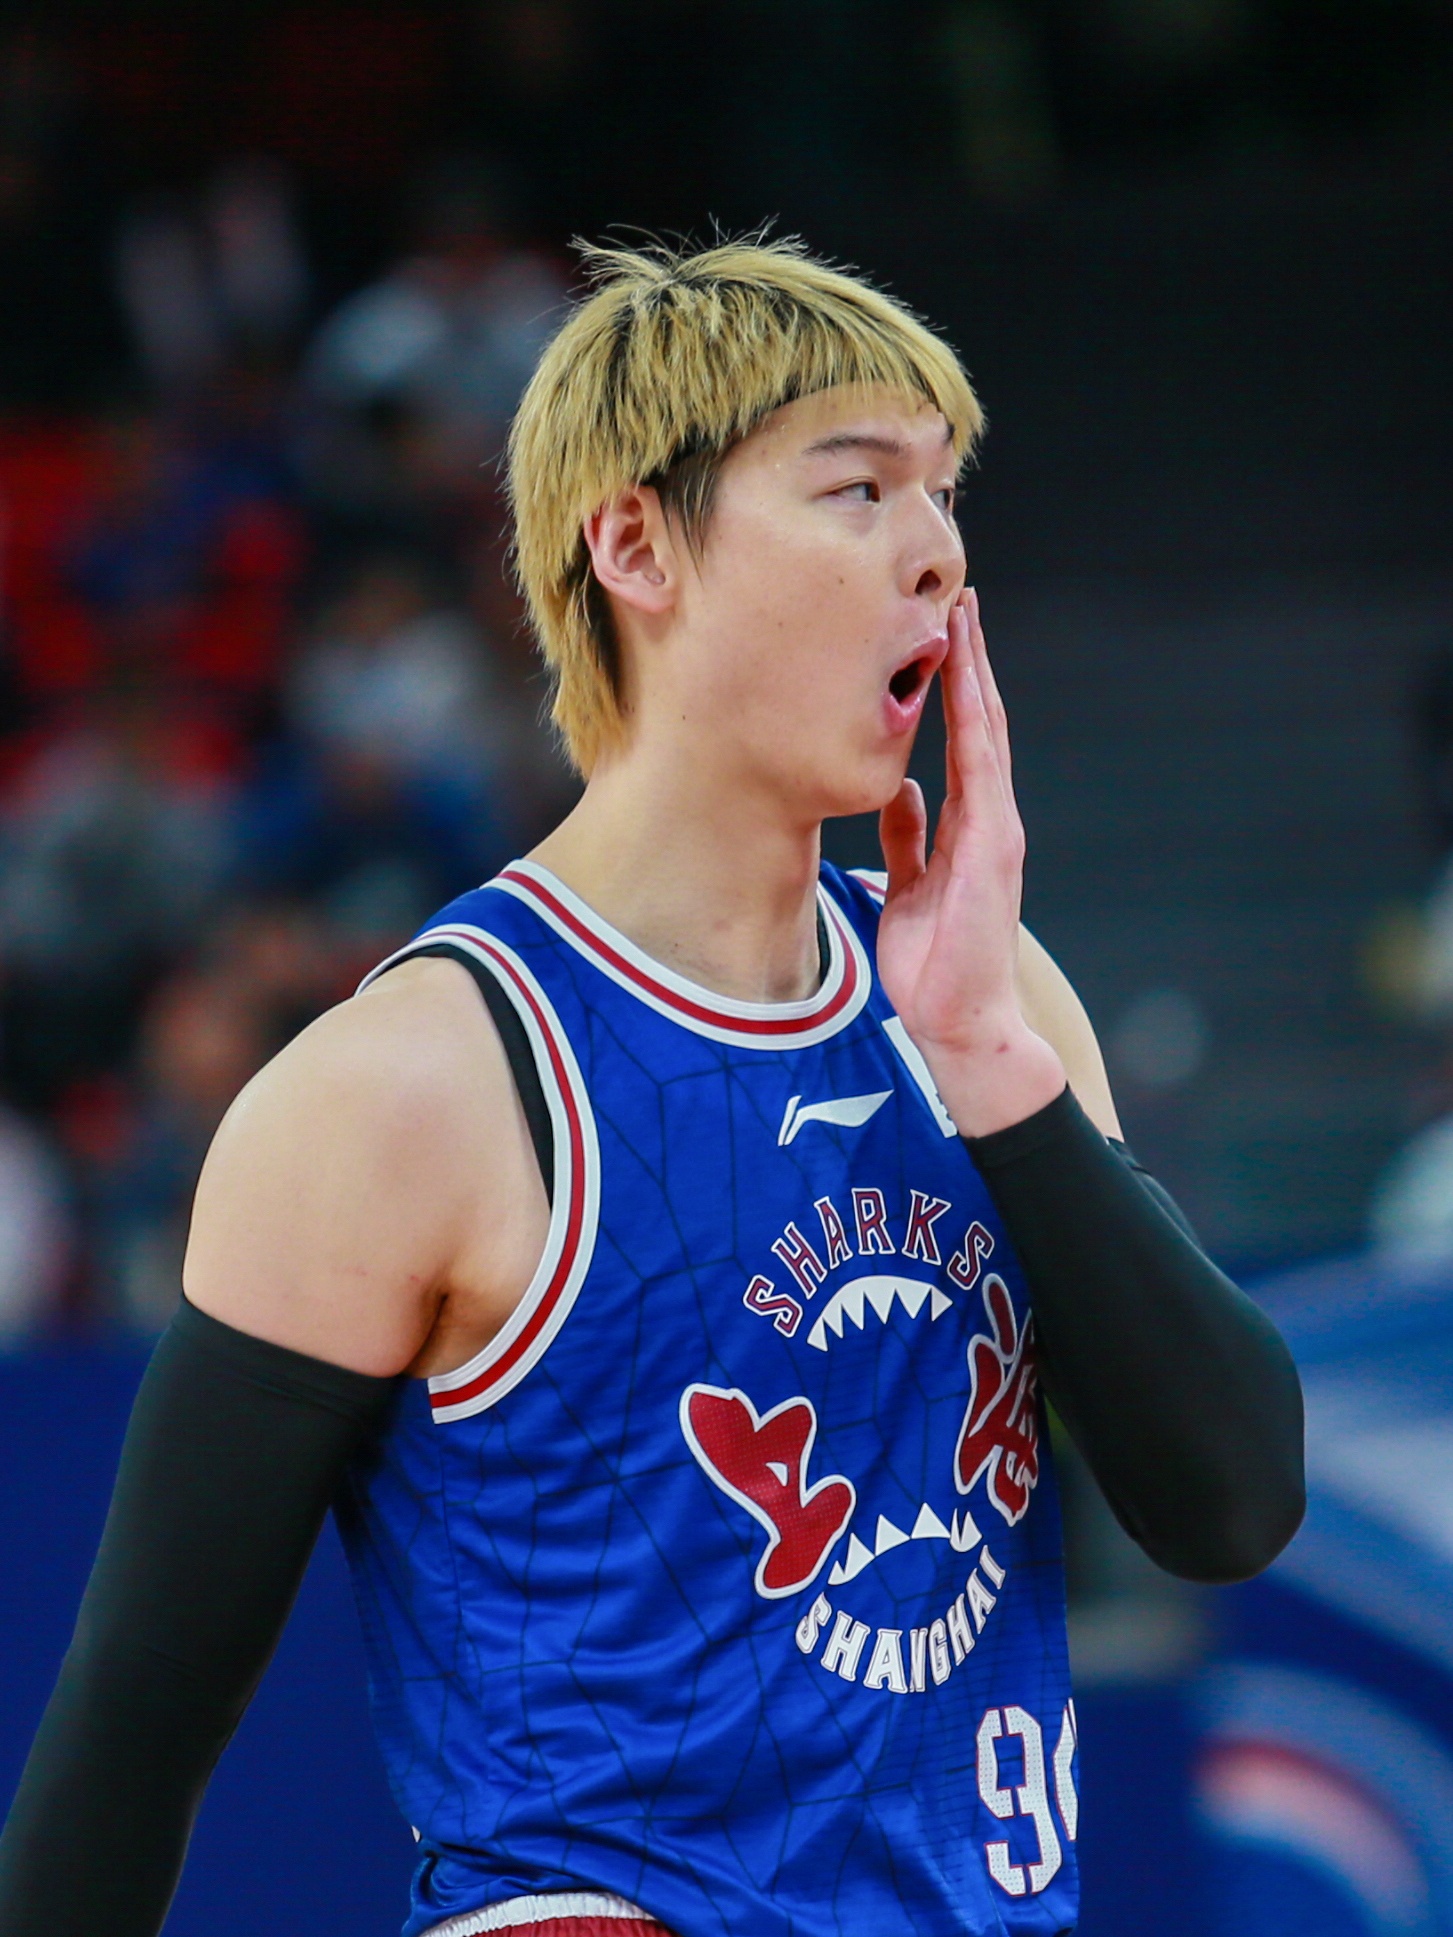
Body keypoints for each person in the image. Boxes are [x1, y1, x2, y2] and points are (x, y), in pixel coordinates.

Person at [0, 237, 1305, 1937]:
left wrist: (991, 1061)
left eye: (943, 492)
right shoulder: (415, 1082)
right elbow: (137, 1721)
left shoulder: (998, 1003)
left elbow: (1229, 1506)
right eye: (856, 488)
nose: (934, 550)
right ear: (633, 546)